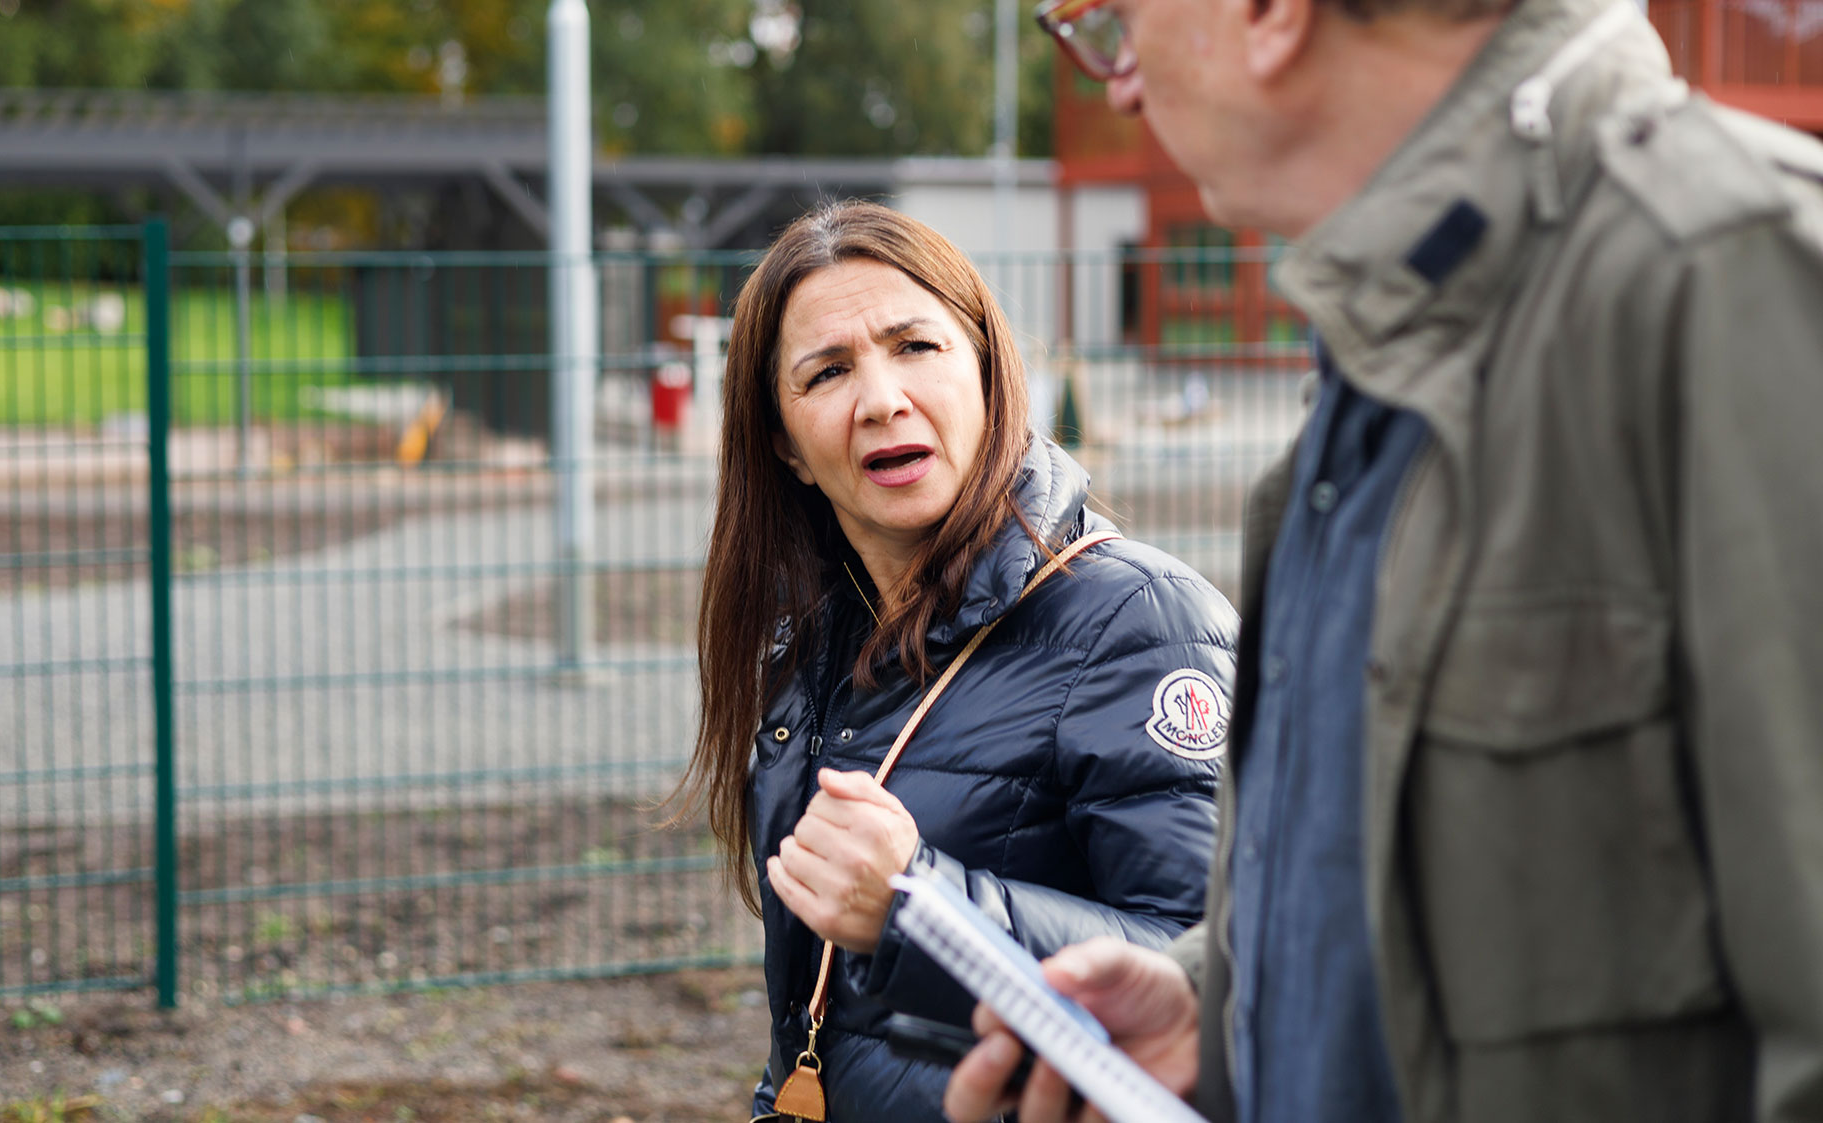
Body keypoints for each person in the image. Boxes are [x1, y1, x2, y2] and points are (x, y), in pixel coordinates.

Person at [946, 0, 1823, 1120]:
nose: (1117, 83)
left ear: (1266, 13)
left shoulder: (1730, 284)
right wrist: (1219, 1004)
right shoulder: (1383, 361)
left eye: (1112, 20)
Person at [669, 200, 1240, 1122]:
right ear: (786, 444)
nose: (883, 398)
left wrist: (922, 906)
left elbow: (1217, 960)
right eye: (827, 371)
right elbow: (819, 1011)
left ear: (983, 366)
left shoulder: (1142, 622)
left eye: (916, 347)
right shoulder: (809, 637)